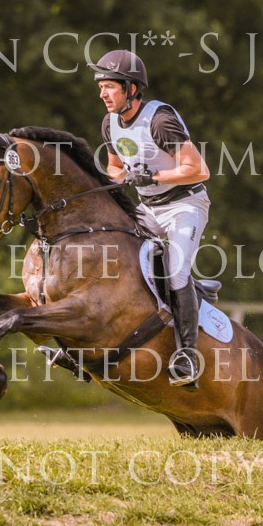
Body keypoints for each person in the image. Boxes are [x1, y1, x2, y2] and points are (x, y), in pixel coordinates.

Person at [89, 49, 211, 389]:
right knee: (113, 252)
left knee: (175, 271)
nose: (102, 94)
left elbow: (199, 169)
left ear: (131, 89)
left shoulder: (160, 121)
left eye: (109, 87)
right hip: (148, 208)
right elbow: (115, 166)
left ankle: (187, 355)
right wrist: (115, 180)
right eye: (100, 87)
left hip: (184, 205)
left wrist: (155, 176)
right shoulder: (110, 123)